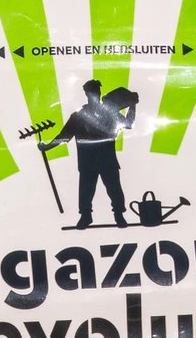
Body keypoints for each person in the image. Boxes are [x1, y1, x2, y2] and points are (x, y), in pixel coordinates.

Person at [40, 79, 137, 229]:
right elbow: (64, 136)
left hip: (107, 160)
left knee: (114, 189)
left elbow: (129, 124)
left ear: (99, 92)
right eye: (92, 92)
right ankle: (86, 216)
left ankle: (118, 214)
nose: (94, 94)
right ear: (86, 93)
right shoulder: (78, 116)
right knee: (86, 191)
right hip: (88, 162)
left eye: (96, 91)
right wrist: (47, 147)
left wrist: (132, 105)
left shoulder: (109, 113)